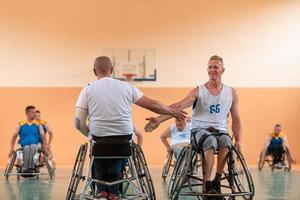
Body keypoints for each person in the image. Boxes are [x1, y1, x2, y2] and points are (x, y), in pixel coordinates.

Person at [75, 56, 186, 200]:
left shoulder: (87, 90)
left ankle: (101, 190)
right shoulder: (126, 87)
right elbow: (153, 105)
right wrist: (171, 112)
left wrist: (90, 135)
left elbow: (78, 123)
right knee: (118, 149)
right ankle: (115, 191)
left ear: (94, 71)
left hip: (99, 140)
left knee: (98, 146)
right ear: (112, 70)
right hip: (124, 140)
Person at [145, 55, 242, 197]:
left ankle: (216, 180)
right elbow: (178, 106)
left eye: (216, 67)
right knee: (210, 140)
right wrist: (159, 120)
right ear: (207, 70)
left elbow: (237, 119)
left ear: (222, 70)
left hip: (220, 131)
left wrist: (239, 139)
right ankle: (207, 184)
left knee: (226, 141)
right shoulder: (199, 91)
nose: (212, 70)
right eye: (210, 67)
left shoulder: (231, 92)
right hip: (199, 131)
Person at [8, 106, 47, 173]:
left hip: (35, 146)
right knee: (27, 148)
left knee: (33, 147)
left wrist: (45, 148)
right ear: (27, 113)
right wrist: (11, 148)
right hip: (23, 146)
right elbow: (13, 137)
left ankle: (31, 168)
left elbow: (43, 136)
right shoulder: (20, 124)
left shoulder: (38, 124)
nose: (35, 114)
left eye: (35, 112)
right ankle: (24, 168)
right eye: (33, 112)